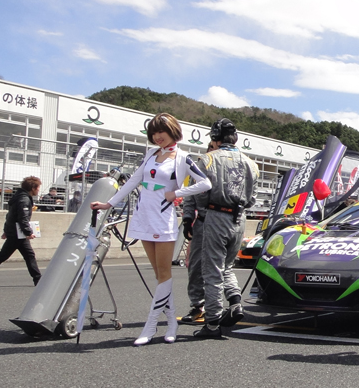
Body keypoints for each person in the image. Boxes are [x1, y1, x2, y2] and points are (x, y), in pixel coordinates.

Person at [91, 114, 211, 345]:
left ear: (173, 131)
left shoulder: (183, 158)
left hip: (162, 218)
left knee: (164, 274)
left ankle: (151, 325)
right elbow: (133, 181)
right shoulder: (150, 154)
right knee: (159, 276)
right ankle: (172, 322)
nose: (157, 137)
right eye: (153, 133)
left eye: (161, 132)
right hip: (143, 216)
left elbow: (206, 183)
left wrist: (176, 193)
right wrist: (109, 204)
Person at [193, 118, 259, 339]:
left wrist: (204, 213)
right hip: (239, 218)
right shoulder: (251, 163)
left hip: (216, 214)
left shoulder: (207, 159)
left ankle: (212, 323)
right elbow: (253, 198)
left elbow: (200, 194)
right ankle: (236, 302)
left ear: (215, 138)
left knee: (212, 271)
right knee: (228, 266)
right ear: (235, 138)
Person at [180, 141, 215, 324]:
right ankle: (197, 305)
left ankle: (216, 307)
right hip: (201, 223)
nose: (212, 151)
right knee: (195, 265)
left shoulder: (230, 168)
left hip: (221, 223)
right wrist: (187, 219)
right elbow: (189, 195)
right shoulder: (198, 167)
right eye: (210, 148)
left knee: (218, 267)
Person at [0, 176, 43, 285]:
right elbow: (23, 218)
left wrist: (6, 230)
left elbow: (10, 216)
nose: (38, 190)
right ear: (33, 188)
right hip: (17, 234)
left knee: (28, 255)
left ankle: (38, 280)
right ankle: (38, 280)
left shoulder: (19, 197)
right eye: (38, 188)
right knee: (5, 256)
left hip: (16, 233)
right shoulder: (24, 200)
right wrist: (29, 232)